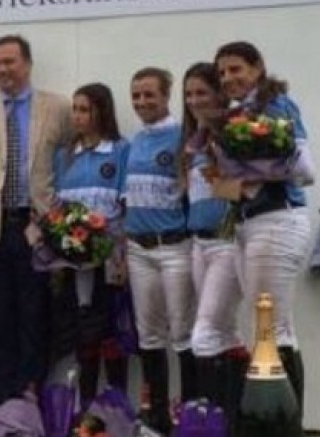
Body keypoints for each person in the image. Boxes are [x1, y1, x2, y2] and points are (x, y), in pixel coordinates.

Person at [0, 35, 70, 405]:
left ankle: (31, 404)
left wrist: (56, 220)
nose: (2, 70)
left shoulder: (57, 107)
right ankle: (6, 410)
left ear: (28, 63)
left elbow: (70, 161)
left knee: (35, 320)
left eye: (9, 62)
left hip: (38, 229)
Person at [213, 41, 315, 413]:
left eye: (236, 69)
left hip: (277, 219)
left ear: (257, 68)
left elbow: (306, 171)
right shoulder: (233, 115)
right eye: (222, 72)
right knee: (266, 328)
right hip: (246, 224)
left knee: (275, 330)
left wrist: (257, 169)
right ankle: (272, 419)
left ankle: (285, 423)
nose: (228, 78)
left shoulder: (277, 107)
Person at [123, 67, 195, 434]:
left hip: (174, 247)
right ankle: (159, 418)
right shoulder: (134, 141)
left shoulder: (182, 136)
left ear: (166, 97)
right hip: (138, 250)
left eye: (149, 95)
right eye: (135, 96)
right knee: (149, 335)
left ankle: (192, 415)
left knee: (183, 333)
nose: (141, 102)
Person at [50, 83, 130, 407]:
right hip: (74, 259)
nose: (78, 116)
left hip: (109, 257)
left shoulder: (120, 150)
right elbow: (58, 211)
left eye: (85, 109)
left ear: (102, 111)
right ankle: (85, 408)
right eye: (75, 109)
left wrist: (118, 253)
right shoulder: (64, 156)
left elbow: (124, 208)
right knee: (83, 330)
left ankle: (116, 406)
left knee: (111, 329)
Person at [178, 63, 248, 419]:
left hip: (226, 243)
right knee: (225, 332)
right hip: (198, 244)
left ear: (219, 94)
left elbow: (246, 188)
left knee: (203, 335)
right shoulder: (193, 142)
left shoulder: (232, 134)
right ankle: (234, 416)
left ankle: (213, 417)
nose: (194, 101)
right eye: (188, 94)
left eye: (201, 92)